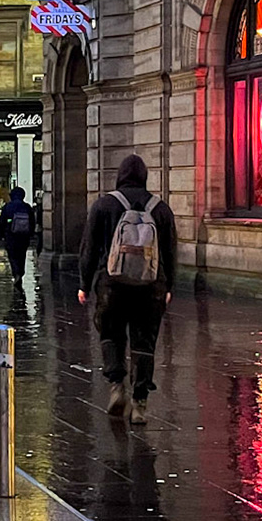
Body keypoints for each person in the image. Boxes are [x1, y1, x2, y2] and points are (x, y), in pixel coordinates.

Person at [77, 154, 178, 423]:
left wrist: (84, 284)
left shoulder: (103, 205)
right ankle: (140, 403)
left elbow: (88, 248)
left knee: (111, 334)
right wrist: (169, 286)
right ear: (144, 177)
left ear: (120, 176)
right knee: (145, 341)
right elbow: (170, 251)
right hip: (151, 286)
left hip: (112, 285)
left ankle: (116, 386)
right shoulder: (160, 209)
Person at [0, 186, 37, 279]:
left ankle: (16, 274)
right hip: (24, 236)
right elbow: (32, 222)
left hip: (10, 236)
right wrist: (30, 234)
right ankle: (20, 273)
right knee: (22, 255)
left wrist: (2, 234)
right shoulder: (27, 207)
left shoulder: (7, 207)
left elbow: (1, 222)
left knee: (12, 256)